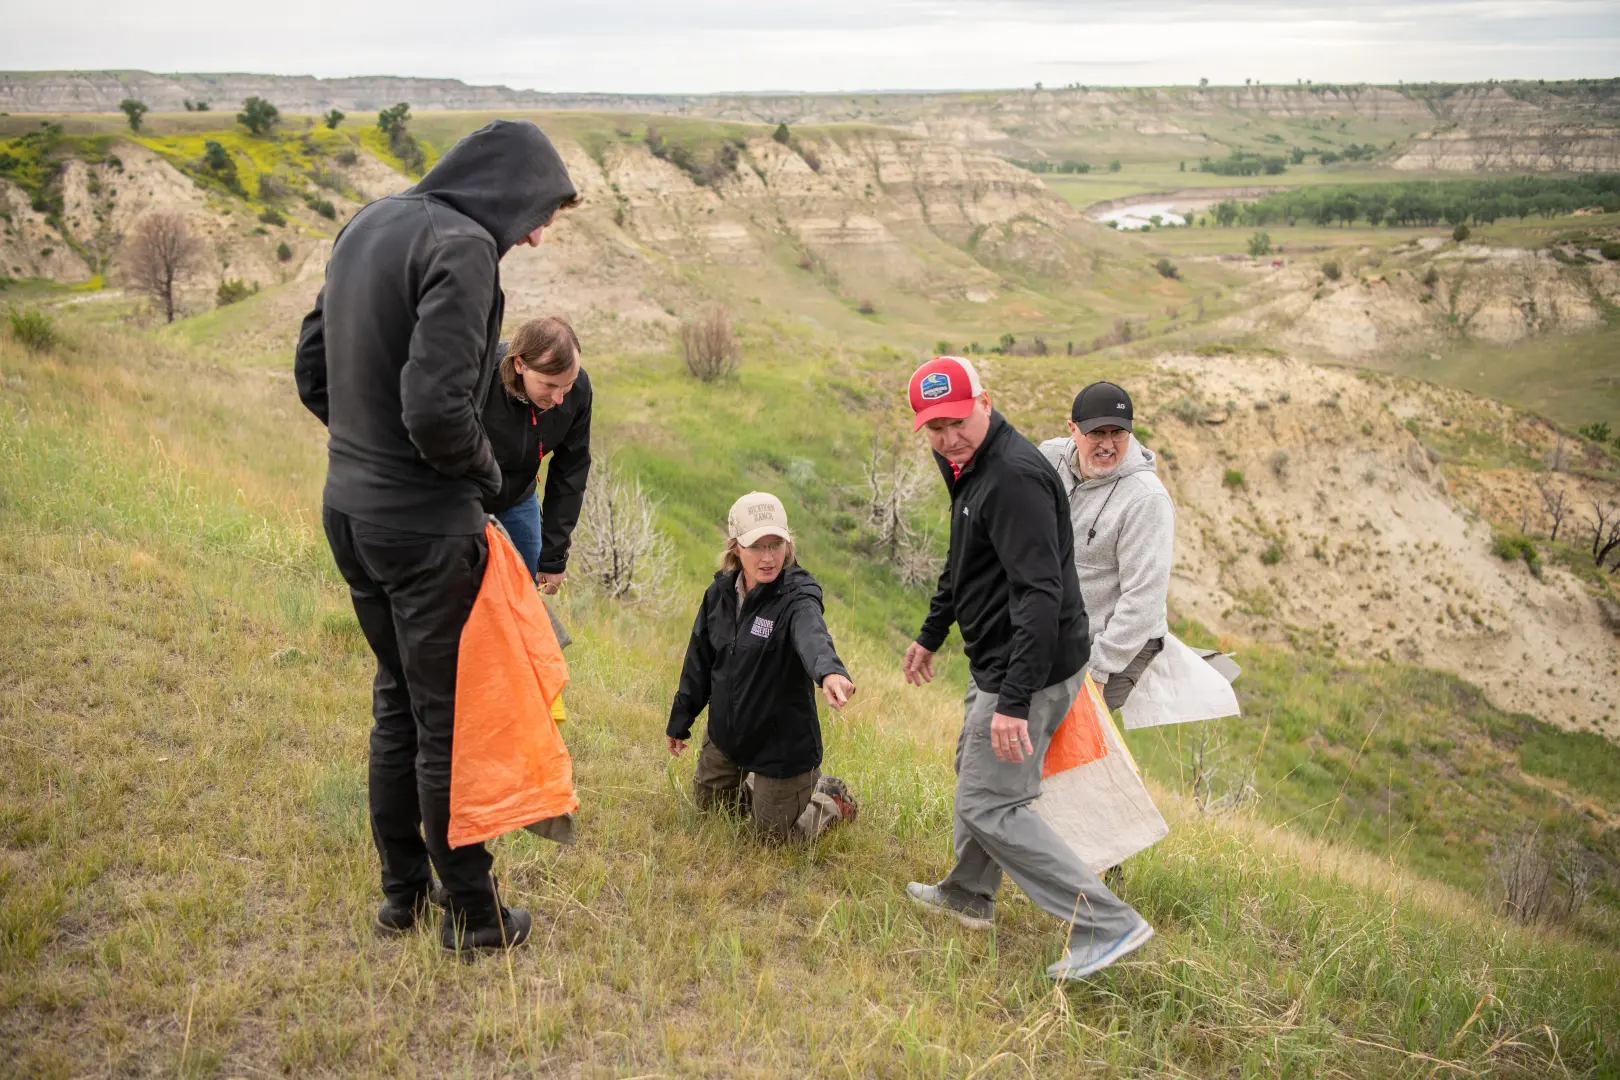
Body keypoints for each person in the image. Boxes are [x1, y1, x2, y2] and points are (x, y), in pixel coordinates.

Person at [294, 119, 579, 954]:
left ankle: (401, 897)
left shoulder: (370, 225)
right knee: (448, 722)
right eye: (538, 215)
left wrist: (365, 454)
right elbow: (434, 410)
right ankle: (474, 917)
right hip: (423, 531)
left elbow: (314, 369)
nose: (533, 234)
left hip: (349, 510)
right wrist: (485, 480)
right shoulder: (463, 248)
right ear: (507, 187)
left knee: (398, 706)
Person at [898, 356, 1154, 981]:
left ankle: (1105, 924)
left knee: (992, 804)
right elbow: (967, 559)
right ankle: (967, 895)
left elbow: (1041, 595)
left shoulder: (1012, 477)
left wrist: (1013, 700)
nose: (949, 437)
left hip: (1030, 668)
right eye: (935, 428)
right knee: (977, 774)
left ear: (985, 403)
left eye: (958, 421)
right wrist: (933, 634)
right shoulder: (964, 462)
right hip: (998, 659)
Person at [667, 492, 860, 844]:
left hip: (781, 748)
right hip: (728, 735)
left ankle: (828, 800)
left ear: (788, 544)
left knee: (769, 841)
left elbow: (811, 634)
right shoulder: (719, 594)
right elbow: (699, 661)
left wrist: (829, 670)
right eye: (757, 546)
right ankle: (757, 784)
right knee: (713, 816)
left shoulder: (796, 596)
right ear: (736, 547)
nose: (768, 557)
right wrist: (681, 721)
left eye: (777, 545)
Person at [1038, 381, 1173, 713]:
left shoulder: (1145, 499)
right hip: (1057, 629)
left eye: (1118, 433)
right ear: (1073, 429)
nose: (1108, 445)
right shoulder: (1048, 460)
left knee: (1072, 739)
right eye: (1097, 433)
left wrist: (1099, 670)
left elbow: (1144, 598)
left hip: (1120, 642)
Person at [482, 316, 591, 595]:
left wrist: (554, 558)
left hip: (517, 497)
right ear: (520, 364)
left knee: (525, 595)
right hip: (460, 494)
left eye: (566, 386)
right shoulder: (479, 376)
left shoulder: (577, 390)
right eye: (549, 385)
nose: (559, 399)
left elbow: (570, 471)